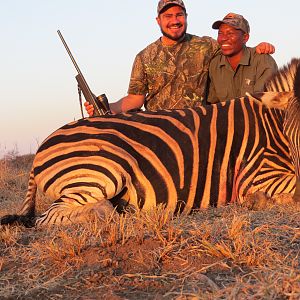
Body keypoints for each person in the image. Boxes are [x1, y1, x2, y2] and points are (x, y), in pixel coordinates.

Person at [85, 0, 275, 115]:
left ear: (186, 16)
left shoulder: (206, 45)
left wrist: (258, 48)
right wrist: (108, 107)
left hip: (199, 130)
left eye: (179, 15)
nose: (174, 21)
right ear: (158, 20)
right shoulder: (144, 57)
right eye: (168, 16)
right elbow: (135, 99)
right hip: (160, 133)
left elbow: (233, 45)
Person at [207, 13, 278, 104]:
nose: (223, 38)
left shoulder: (263, 61)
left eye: (230, 33)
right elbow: (213, 103)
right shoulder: (215, 64)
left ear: (245, 38)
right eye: (220, 33)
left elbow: (267, 103)